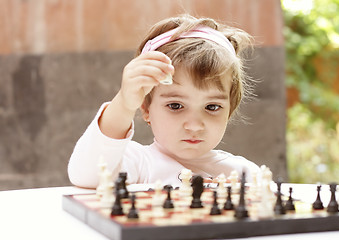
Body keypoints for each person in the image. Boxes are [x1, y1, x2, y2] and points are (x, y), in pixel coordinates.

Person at [68, 14, 259, 189]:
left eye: (212, 107)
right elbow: (87, 175)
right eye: (175, 106)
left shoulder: (246, 174)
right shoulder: (138, 163)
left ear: (229, 111)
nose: (194, 125)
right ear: (146, 109)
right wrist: (124, 104)